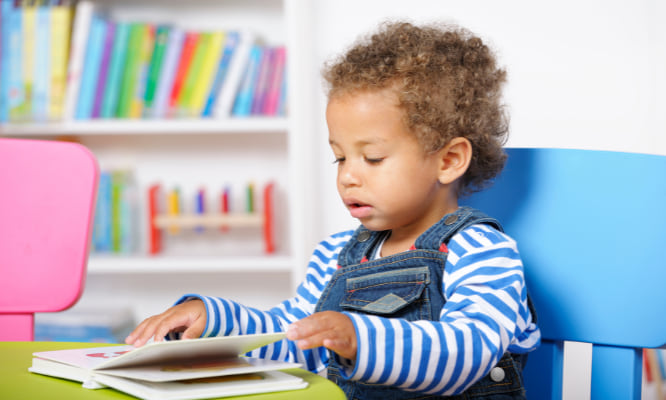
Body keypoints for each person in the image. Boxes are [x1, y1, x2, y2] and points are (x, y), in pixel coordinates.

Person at [126, 21, 540, 399]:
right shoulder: (338, 254)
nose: (348, 177)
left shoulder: (482, 250)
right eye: (340, 158)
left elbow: (466, 352)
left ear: (448, 161)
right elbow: (297, 340)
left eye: (373, 158)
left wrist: (359, 338)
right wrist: (216, 321)